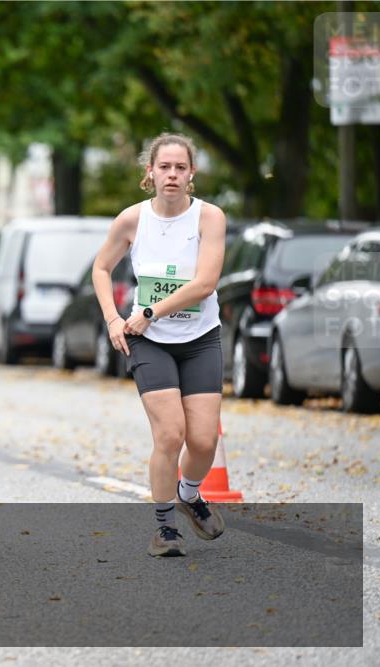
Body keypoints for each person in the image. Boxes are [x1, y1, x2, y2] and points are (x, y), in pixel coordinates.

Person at [92, 133, 227, 558]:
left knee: (203, 441)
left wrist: (151, 310)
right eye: (164, 167)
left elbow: (205, 284)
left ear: (192, 174)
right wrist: (114, 318)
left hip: (200, 338)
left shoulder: (210, 218)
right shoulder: (132, 220)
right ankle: (165, 527)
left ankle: (189, 494)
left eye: (180, 168)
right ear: (149, 172)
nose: (172, 174)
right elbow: (100, 267)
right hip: (148, 342)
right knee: (171, 434)